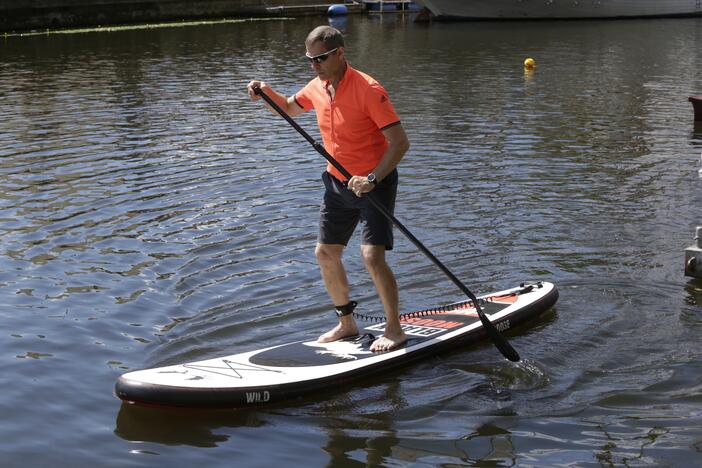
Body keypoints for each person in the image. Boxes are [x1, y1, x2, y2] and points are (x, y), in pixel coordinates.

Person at [247, 25, 410, 352]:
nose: (314, 64)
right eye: (310, 59)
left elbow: (399, 144)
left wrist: (371, 179)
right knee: (325, 253)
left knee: (371, 257)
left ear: (339, 53)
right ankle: (346, 324)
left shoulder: (368, 89)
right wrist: (267, 93)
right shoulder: (317, 86)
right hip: (337, 182)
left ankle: (394, 330)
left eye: (320, 58)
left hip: (373, 182)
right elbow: (290, 108)